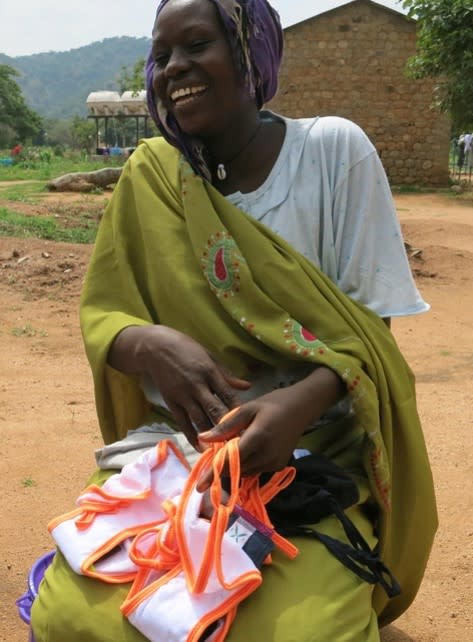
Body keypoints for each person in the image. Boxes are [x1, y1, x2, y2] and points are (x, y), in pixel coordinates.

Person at [31, 0, 437, 640]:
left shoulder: (333, 153)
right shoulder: (151, 177)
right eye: (161, 56)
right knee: (72, 623)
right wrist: (148, 342)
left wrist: (294, 408)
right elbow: (106, 312)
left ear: (251, 51)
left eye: (197, 44)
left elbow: (371, 335)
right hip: (176, 454)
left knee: (296, 633)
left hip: (309, 452)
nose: (174, 69)